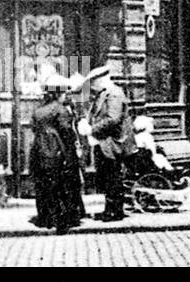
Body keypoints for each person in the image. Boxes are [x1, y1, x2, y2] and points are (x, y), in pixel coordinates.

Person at [79, 64, 135, 222]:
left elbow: (113, 119)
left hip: (113, 143)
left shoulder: (114, 94)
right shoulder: (104, 94)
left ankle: (114, 212)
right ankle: (110, 209)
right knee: (108, 177)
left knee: (113, 177)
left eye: (94, 82)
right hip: (105, 143)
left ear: (101, 80)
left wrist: (91, 129)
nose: (93, 86)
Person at [30, 74, 85, 233]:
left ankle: (45, 218)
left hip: (39, 152)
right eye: (64, 93)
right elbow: (67, 132)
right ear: (59, 93)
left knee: (44, 186)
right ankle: (64, 220)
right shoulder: (61, 110)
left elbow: (34, 128)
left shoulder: (38, 111)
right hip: (58, 153)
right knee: (63, 186)